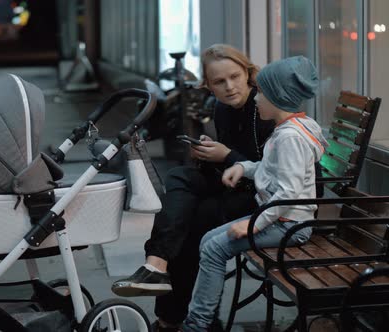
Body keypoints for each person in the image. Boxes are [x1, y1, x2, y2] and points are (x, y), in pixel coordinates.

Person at [111, 44, 276, 331]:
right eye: (219, 82)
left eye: (235, 77)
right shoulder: (221, 108)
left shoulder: (265, 108)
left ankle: (173, 319)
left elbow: (272, 174)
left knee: (191, 226)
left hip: (264, 199)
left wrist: (226, 155)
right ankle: (156, 264)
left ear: (247, 74)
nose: (230, 87)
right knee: (179, 177)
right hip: (233, 184)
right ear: (209, 86)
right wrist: (209, 155)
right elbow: (229, 162)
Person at [182, 56, 328, 332]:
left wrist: (252, 224)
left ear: (278, 97)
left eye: (261, 92)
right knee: (207, 241)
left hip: (289, 226)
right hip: (280, 220)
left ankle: (198, 325)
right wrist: (243, 167)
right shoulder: (288, 130)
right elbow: (273, 170)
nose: (256, 98)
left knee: (213, 248)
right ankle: (202, 320)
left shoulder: (289, 138)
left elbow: (288, 194)